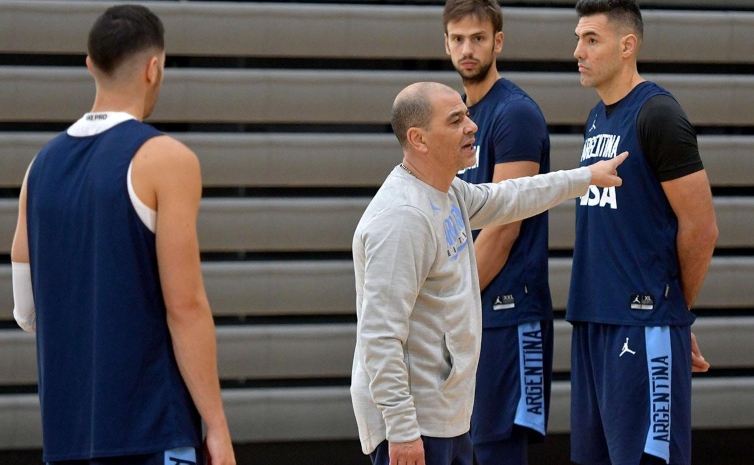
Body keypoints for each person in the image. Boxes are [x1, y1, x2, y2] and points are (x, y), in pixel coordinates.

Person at [350, 81, 627, 465]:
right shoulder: (401, 218)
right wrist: (401, 428)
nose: (472, 126)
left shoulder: (449, 192)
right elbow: (379, 336)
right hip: (414, 427)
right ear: (419, 139)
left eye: (467, 114)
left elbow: (511, 196)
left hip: (447, 415)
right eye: (456, 120)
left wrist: (586, 177)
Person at [10, 5, 235, 465]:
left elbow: (26, 310)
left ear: (91, 65)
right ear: (154, 68)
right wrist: (216, 427)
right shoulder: (166, 159)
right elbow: (186, 307)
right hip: (151, 430)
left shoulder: (39, 169)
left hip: (67, 434)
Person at [568, 1, 718, 464]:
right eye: (578, 39)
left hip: (641, 321)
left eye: (591, 39)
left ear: (627, 45)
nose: (578, 51)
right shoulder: (597, 117)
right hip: (592, 320)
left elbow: (702, 227)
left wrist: (672, 310)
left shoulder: (658, 115)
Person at [443, 0, 553, 462]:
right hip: (472, 317)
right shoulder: (459, 116)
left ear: (498, 42)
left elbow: (503, 231)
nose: (468, 49)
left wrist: (448, 308)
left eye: (479, 38)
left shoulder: (514, 115)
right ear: (446, 43)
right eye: (458, 39)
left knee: (495, 452)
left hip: (509, 315)